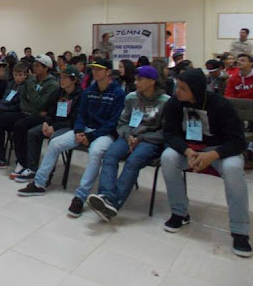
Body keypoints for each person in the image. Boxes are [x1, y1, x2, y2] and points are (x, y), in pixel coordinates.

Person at [17, 58, 125, 219]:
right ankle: (39, 183)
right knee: (55, 143)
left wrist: (91, 136)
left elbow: (113, 122)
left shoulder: (118, 94)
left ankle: (80, 196)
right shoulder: (89, 91)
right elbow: (81, 115)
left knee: (96, 152)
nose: (95, 72)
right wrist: (79, 130)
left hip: (104, 134)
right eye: (93, 69)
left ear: (108, 72)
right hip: (84, 130)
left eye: (99, 69)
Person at [160, 68, 251, 257]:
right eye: (177, 86)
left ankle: (240, 230)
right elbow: (169, 133)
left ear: (196, 89)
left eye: (183, 88)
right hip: (190, 149)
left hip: (219, 151)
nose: (177, 91)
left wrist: (213, 155)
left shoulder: (221, 105)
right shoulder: (174, 103)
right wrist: (186, 150)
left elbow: (238, 141)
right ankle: (180, 213)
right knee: (168, 157)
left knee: (233, 168)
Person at [87, 66, 169, 221]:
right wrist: (127, 135)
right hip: (128, 136)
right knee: (110, 156)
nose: (136, 82)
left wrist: (142, 138)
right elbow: (122, 122)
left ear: (152, 81)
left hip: (150, 141)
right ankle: (105, 196)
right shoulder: (131, 97)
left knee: (133, 161)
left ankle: (113, 202)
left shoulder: (165, 101)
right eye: (135, 79)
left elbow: (165, 132)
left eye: (140, 79)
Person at [0, 55, 59, 172]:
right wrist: (34, 107)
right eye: (34, 65)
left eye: (37, 66)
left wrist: (32, 92)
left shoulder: (51, 85)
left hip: (41, 116)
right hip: (28, 112)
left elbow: (40, 103)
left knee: (20, 126)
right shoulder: (32, 80)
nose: (34, 68)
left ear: (46, 68)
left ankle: (22, 162)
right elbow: (23, 102)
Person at [11, 65, 83, 183]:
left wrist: (54, 127)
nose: (61, 80)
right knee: (33, 133)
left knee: (54, 139)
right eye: (61, 77)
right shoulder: (59, 92)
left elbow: (74, 120)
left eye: (65, 78)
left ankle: (46, 177)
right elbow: (49, 110)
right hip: (53, 123)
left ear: (74, 80)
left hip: (68, 127)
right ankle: (32, 169)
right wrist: (46, 122)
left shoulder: (80, 96)